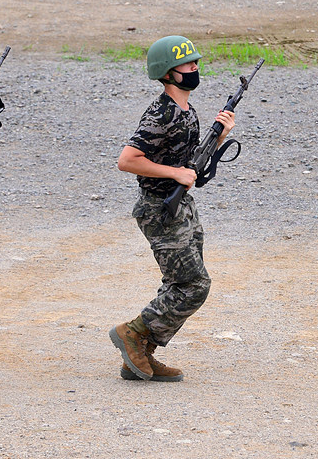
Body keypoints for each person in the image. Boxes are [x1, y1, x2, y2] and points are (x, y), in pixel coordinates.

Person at [111, 35, 235, 382]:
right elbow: (127, 160)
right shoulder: (161, 113)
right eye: (186, 63)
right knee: (194, 284)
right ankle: (132, 333)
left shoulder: (186, 110)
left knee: (179, 282)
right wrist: (173, 173)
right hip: (159, 208)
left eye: (195, 62)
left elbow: (191, 164)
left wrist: (220, 135)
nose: (195, 67)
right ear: (167, 72)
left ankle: (140, 356)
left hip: (180, 206)